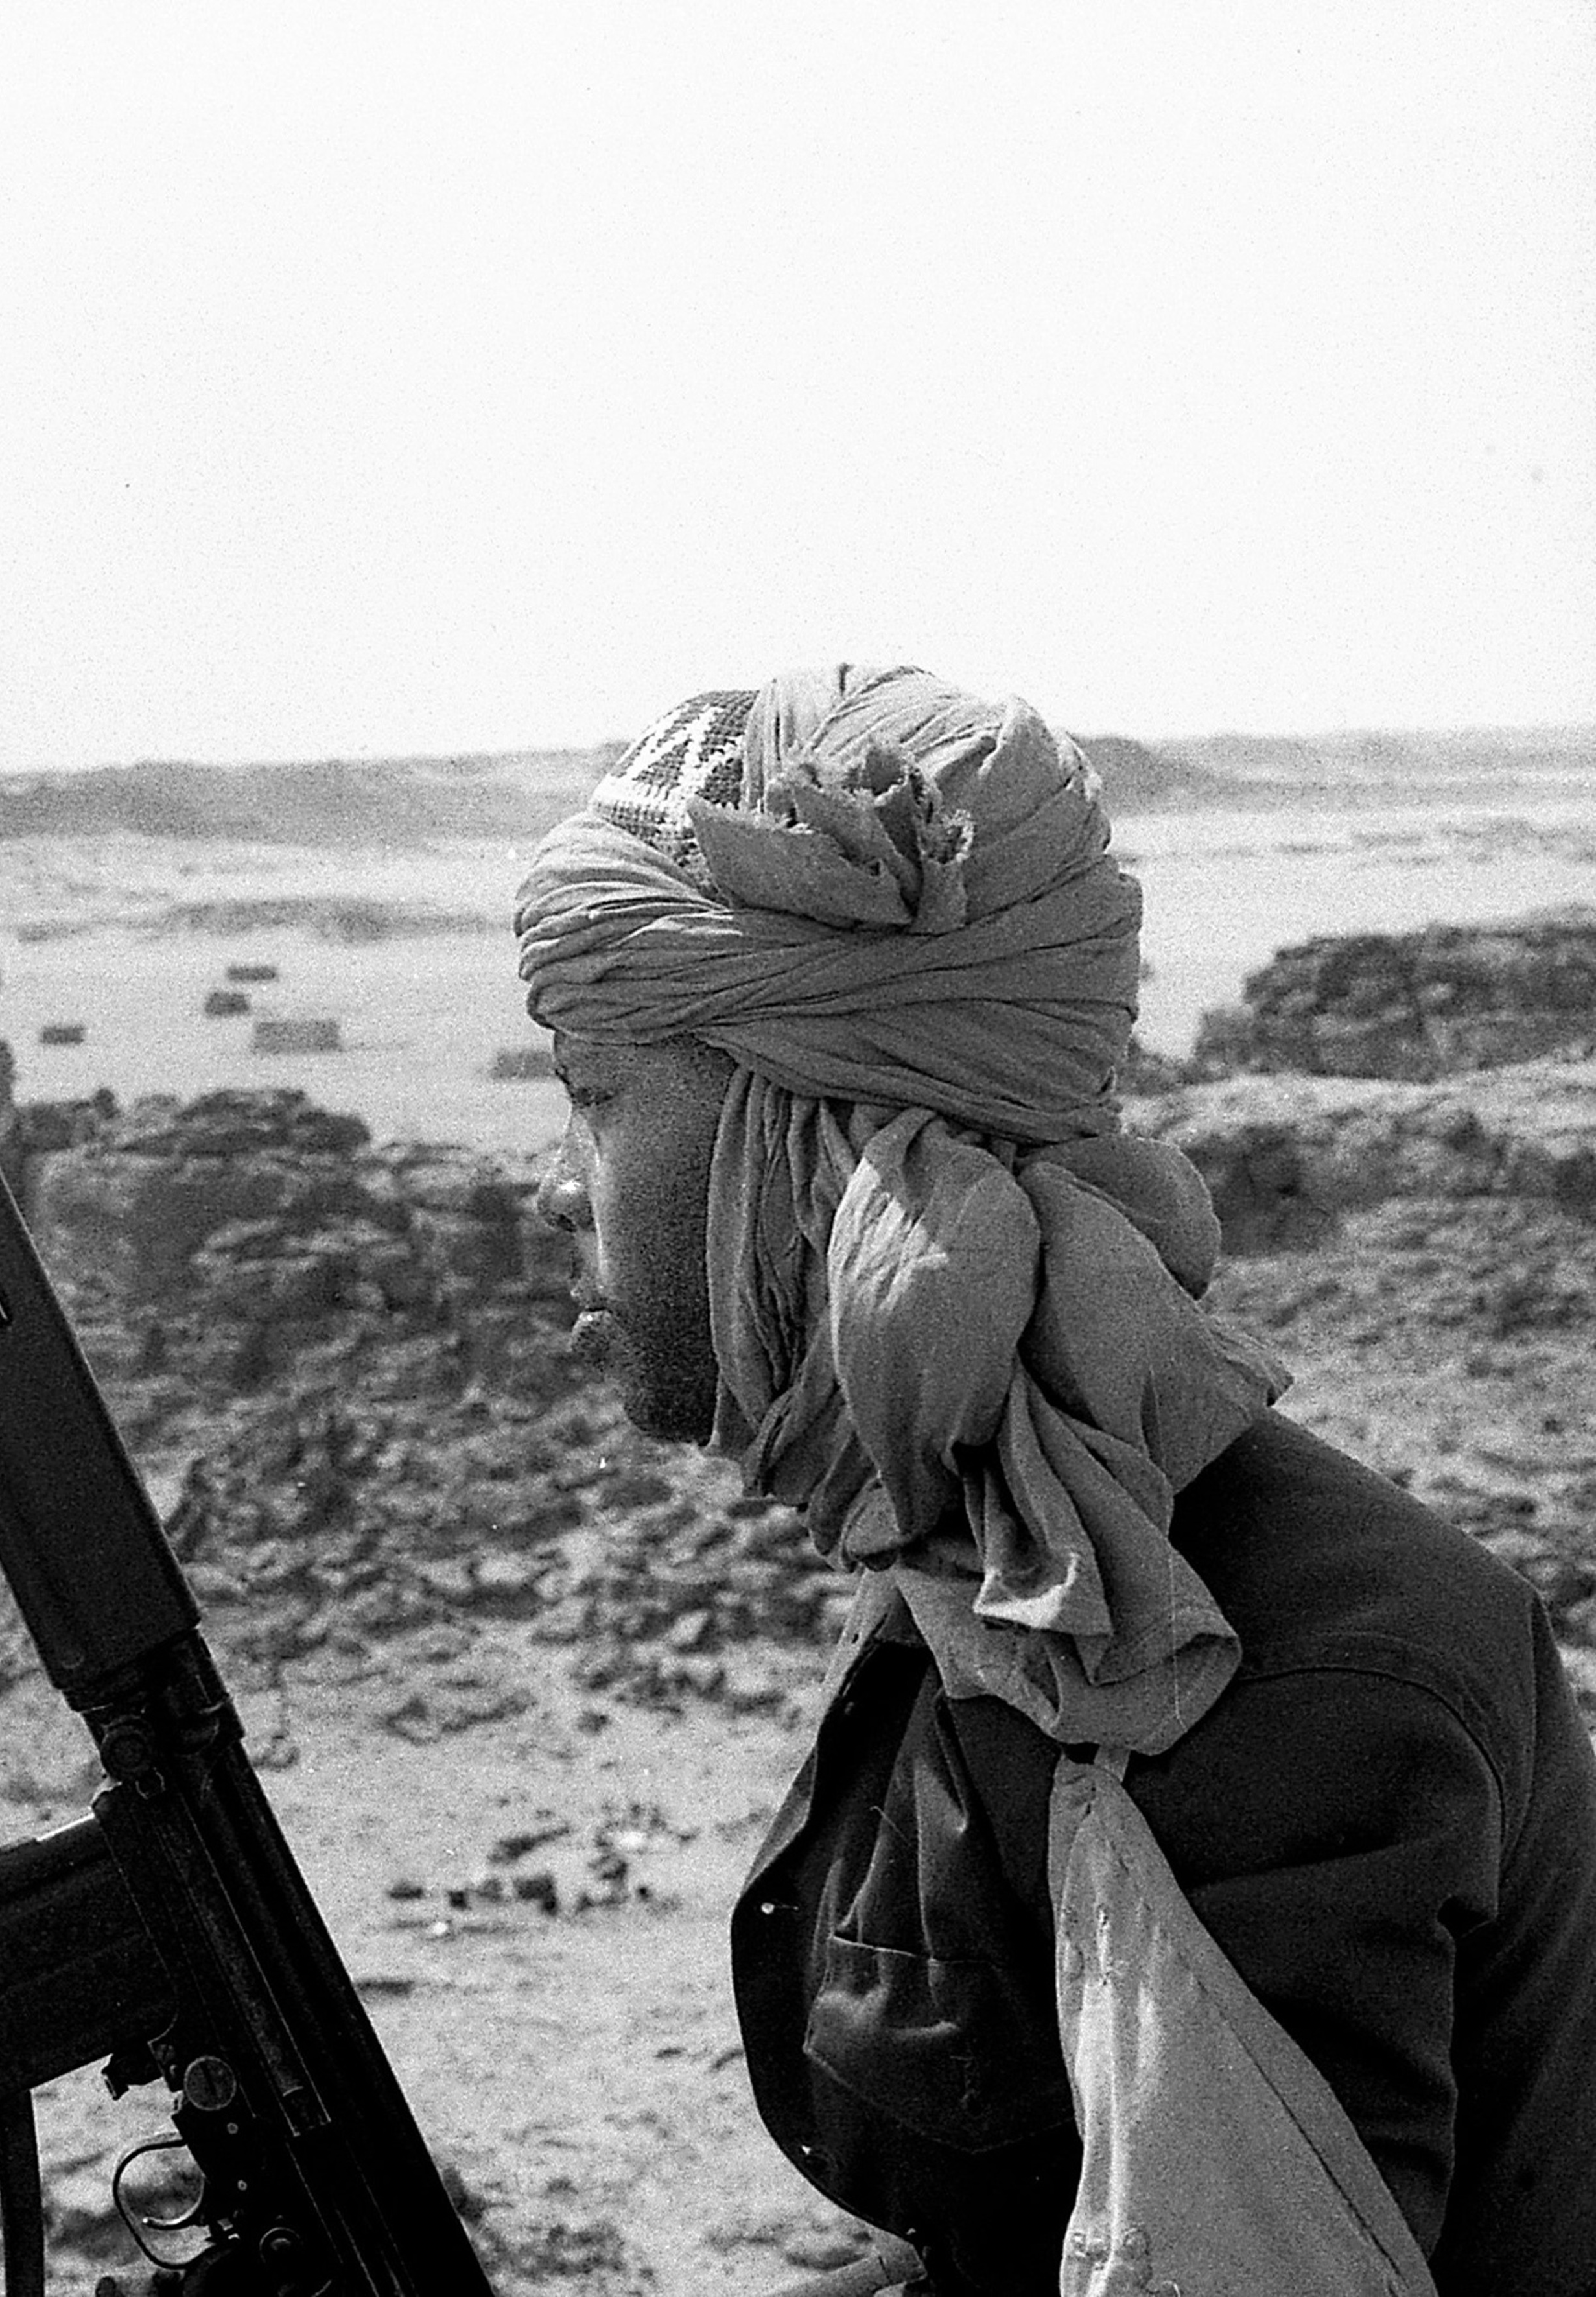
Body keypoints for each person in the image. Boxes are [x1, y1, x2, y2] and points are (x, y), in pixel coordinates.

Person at [510, 666, 1596, 2294]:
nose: (554, 1186)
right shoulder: (1010, 1524)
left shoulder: (1210, 1675)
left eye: (593, 1095)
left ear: (802, 1134)